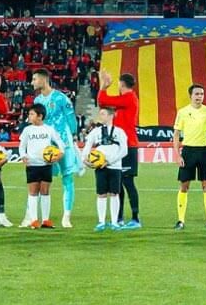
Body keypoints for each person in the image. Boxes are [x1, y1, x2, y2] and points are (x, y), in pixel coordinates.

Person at [31, 71, 82, 228]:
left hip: (63, 144)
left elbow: (71, 118)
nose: (32, 82)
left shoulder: (61, 98)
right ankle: (35, 216)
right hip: (46, 146)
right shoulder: (37, 100)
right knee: (43, 180)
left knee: (67, 178)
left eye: (34, 79)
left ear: (44, 79)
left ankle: (66, 216)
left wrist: (73, 135)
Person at [94, 71, 142, 226]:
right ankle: (118, 219)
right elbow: (102, 105)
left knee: (128, 182)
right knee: (118, 183)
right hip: (120, 145)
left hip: (128, 145)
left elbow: (103, 100)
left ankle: (135, 219)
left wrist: (104, 86)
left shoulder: (128, 98)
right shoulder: (125, 100)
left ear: (121, 84)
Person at [173, 82, 206, 230]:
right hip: (188, 152)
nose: (199, 96)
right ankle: (180, 220)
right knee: (184, 186)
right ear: (191, 96)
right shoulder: (183, 112)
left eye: (202, 94)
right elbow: (176, 134)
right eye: (197, 94)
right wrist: (177, 155)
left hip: (204, 151)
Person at [16, 104, 67, 228]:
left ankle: (45, 220)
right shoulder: (27, 130)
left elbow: (60, 142)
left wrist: (60, 154)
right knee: (33, 192)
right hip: (32, 164)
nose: (29, 116)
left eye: (32, 114)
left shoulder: (49, 129)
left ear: (40, 116)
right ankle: (34, 220)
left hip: (46, 164)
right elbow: (22, 146)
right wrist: (23, 156)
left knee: (45, 191)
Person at [80, 110, 130, 231]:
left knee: (114, 193)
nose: (100, 116)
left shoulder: (119, 132)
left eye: (103, 114)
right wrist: (84, 159)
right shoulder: (95, 131)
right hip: (99, 167)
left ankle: (114, 222)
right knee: (101, 194)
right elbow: (87, 146)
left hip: (115, 166)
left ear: (111, 116)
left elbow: (124, 150)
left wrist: (110, 161)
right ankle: (101, 222)